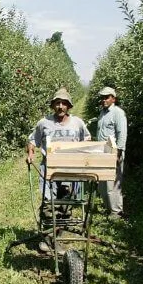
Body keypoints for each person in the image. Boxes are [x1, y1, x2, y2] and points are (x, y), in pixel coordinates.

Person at [27, 88, 90, 251]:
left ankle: (57, 237)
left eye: (63, 103)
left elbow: (87, 140)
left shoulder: (78, 123)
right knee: (49, 205)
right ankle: (48, 239)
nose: (60, 106)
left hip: (71, 171)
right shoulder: (44, 123)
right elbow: (33, 140)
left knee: (65, 207)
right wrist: (31, 153)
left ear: (69, 106)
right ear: (53, 106)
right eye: (57, 103)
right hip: (49, 169)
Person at [96, 86, 127, 219]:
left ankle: (116, 212)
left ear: (113, 99)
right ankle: (109, 207)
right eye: (102, 97)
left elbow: (122, 134)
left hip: (113, 152)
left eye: (107, 97)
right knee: (103, 183)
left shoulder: (118, 113)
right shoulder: (102, 112)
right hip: (102, 152)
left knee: (112, 183)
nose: (104, 100)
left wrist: (118, 154)